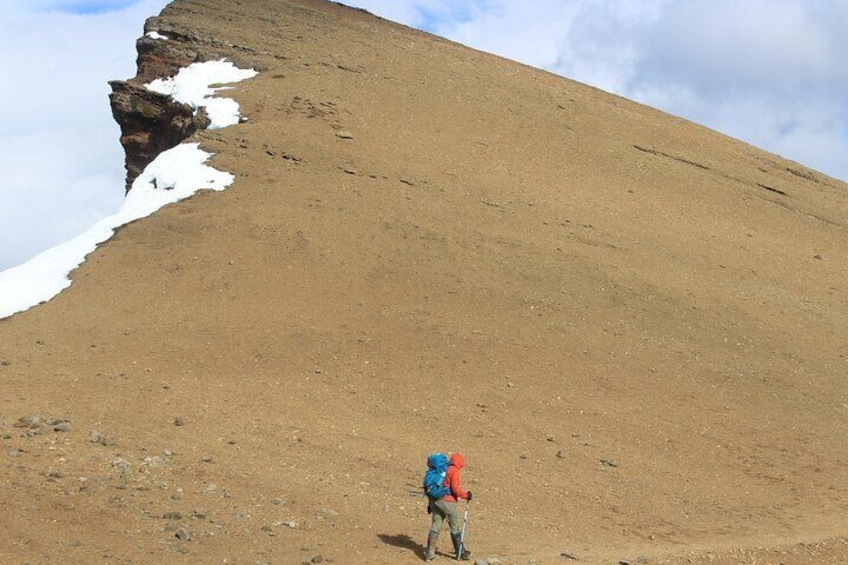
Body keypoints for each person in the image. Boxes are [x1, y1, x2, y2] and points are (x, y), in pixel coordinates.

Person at [425, 452, 472, 561]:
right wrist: (466, 495)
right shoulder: (454, 471)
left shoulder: (441, 469)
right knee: (455, 527)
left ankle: (429, 553)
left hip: (434, 501)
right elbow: (455, 489)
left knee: (436, 525)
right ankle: (460, 553)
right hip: (448, 502)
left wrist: (429, 504)